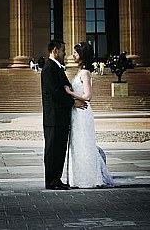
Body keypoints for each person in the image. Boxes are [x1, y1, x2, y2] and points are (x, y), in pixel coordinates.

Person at [64, 42, 116, 188]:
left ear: (83, 55)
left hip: (83, 113)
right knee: (77, 144)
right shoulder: (79, 72)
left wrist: (70, 93)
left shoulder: (85, 73)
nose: (73, 55)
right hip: (76, 113)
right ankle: (78, 178)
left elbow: (88, 96)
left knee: (84, 143)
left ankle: (88, 178)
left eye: (76, 53)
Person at [41, 40, 87, 190]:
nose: (65, 54)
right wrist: (73, 102)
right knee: (53, 150)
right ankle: (51, 181)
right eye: (63, 51)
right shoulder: (49, 68)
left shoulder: (56, 67)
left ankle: (57, 179)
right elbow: (56, 92)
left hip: (60, 117)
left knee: (59, 149)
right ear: (55, 51)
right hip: (54, 118)